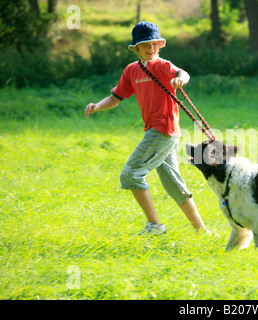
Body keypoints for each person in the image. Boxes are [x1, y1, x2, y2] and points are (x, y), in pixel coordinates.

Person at [84, 21, 209, 235]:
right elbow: (115, 98)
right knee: (174, 184)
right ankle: (202, 230)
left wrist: (180, 80)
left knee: (130, 174)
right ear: (136, 48)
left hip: (163, 130)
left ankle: (155, 226)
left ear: (159, 45)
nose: (151, 49)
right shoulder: (131, 71)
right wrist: (97, 106)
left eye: (154, 45)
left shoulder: (162, 65)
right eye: (145, 46)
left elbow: (183, 73)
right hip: (161, 132)